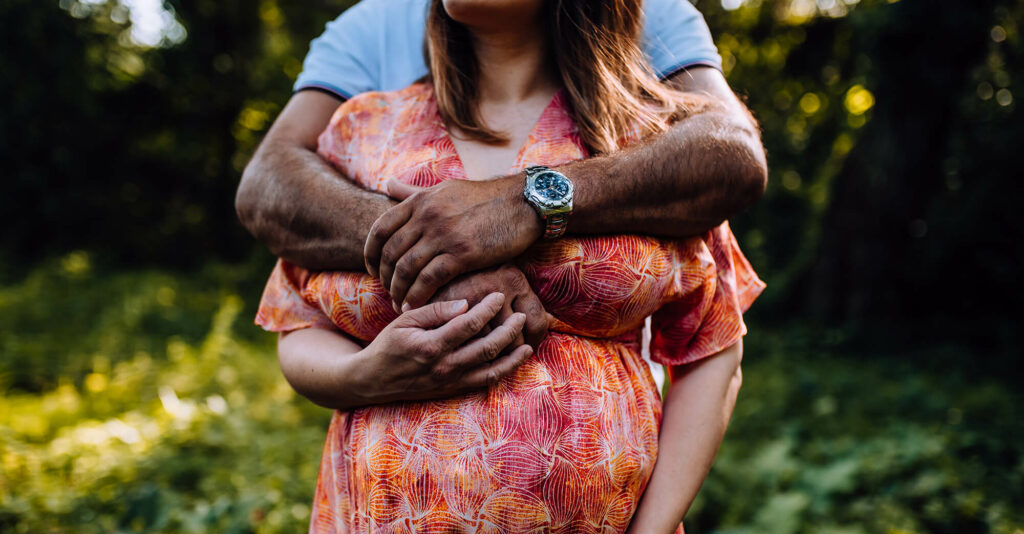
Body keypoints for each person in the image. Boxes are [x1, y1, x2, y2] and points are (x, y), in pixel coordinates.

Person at [252, 0, 764, 534]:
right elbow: (297, 322)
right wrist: (367, 374)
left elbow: (712, 344)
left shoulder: (649, 139)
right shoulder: (365, 132)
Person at [236, 0, 766, 349]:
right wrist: (435, 249)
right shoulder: (370, 27)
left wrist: (526, 201)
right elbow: (269, 182)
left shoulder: (649, 12)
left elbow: (731, 153)